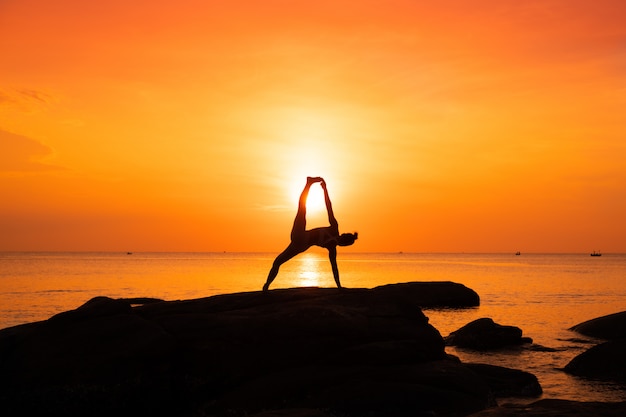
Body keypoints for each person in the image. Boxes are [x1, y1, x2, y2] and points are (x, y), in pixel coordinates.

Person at [263, 177, 358, 291]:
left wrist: (339, 286)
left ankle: (266, 287)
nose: (341, 242)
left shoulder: (333, 244)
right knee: (302, 209)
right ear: (342, 237)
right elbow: (329, 206)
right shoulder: (333, 236)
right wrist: (325, 190)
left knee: (278, 261)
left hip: (301, 242)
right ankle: (266, 286)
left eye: (343, 243)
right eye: (343, 241)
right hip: (300, 239)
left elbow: (334, 268)